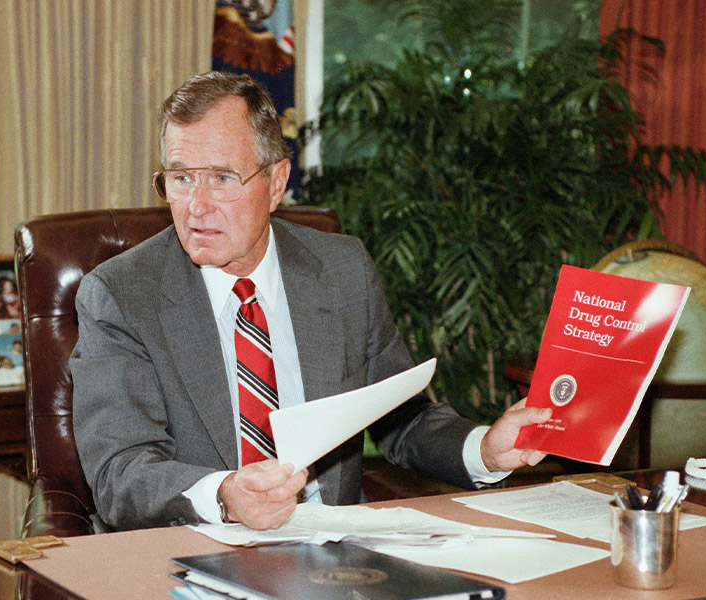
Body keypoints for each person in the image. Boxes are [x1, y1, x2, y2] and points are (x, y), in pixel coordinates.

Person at [71, 71, 551, 533]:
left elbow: (402, 419)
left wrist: (485, 449)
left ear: (277, 182)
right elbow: (120, 471)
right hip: (190, 553)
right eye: (180, 179)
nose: (196, 206)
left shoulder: (342, 270)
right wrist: (225, 495)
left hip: (330, 556)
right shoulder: (120, 295)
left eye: (220, 178)